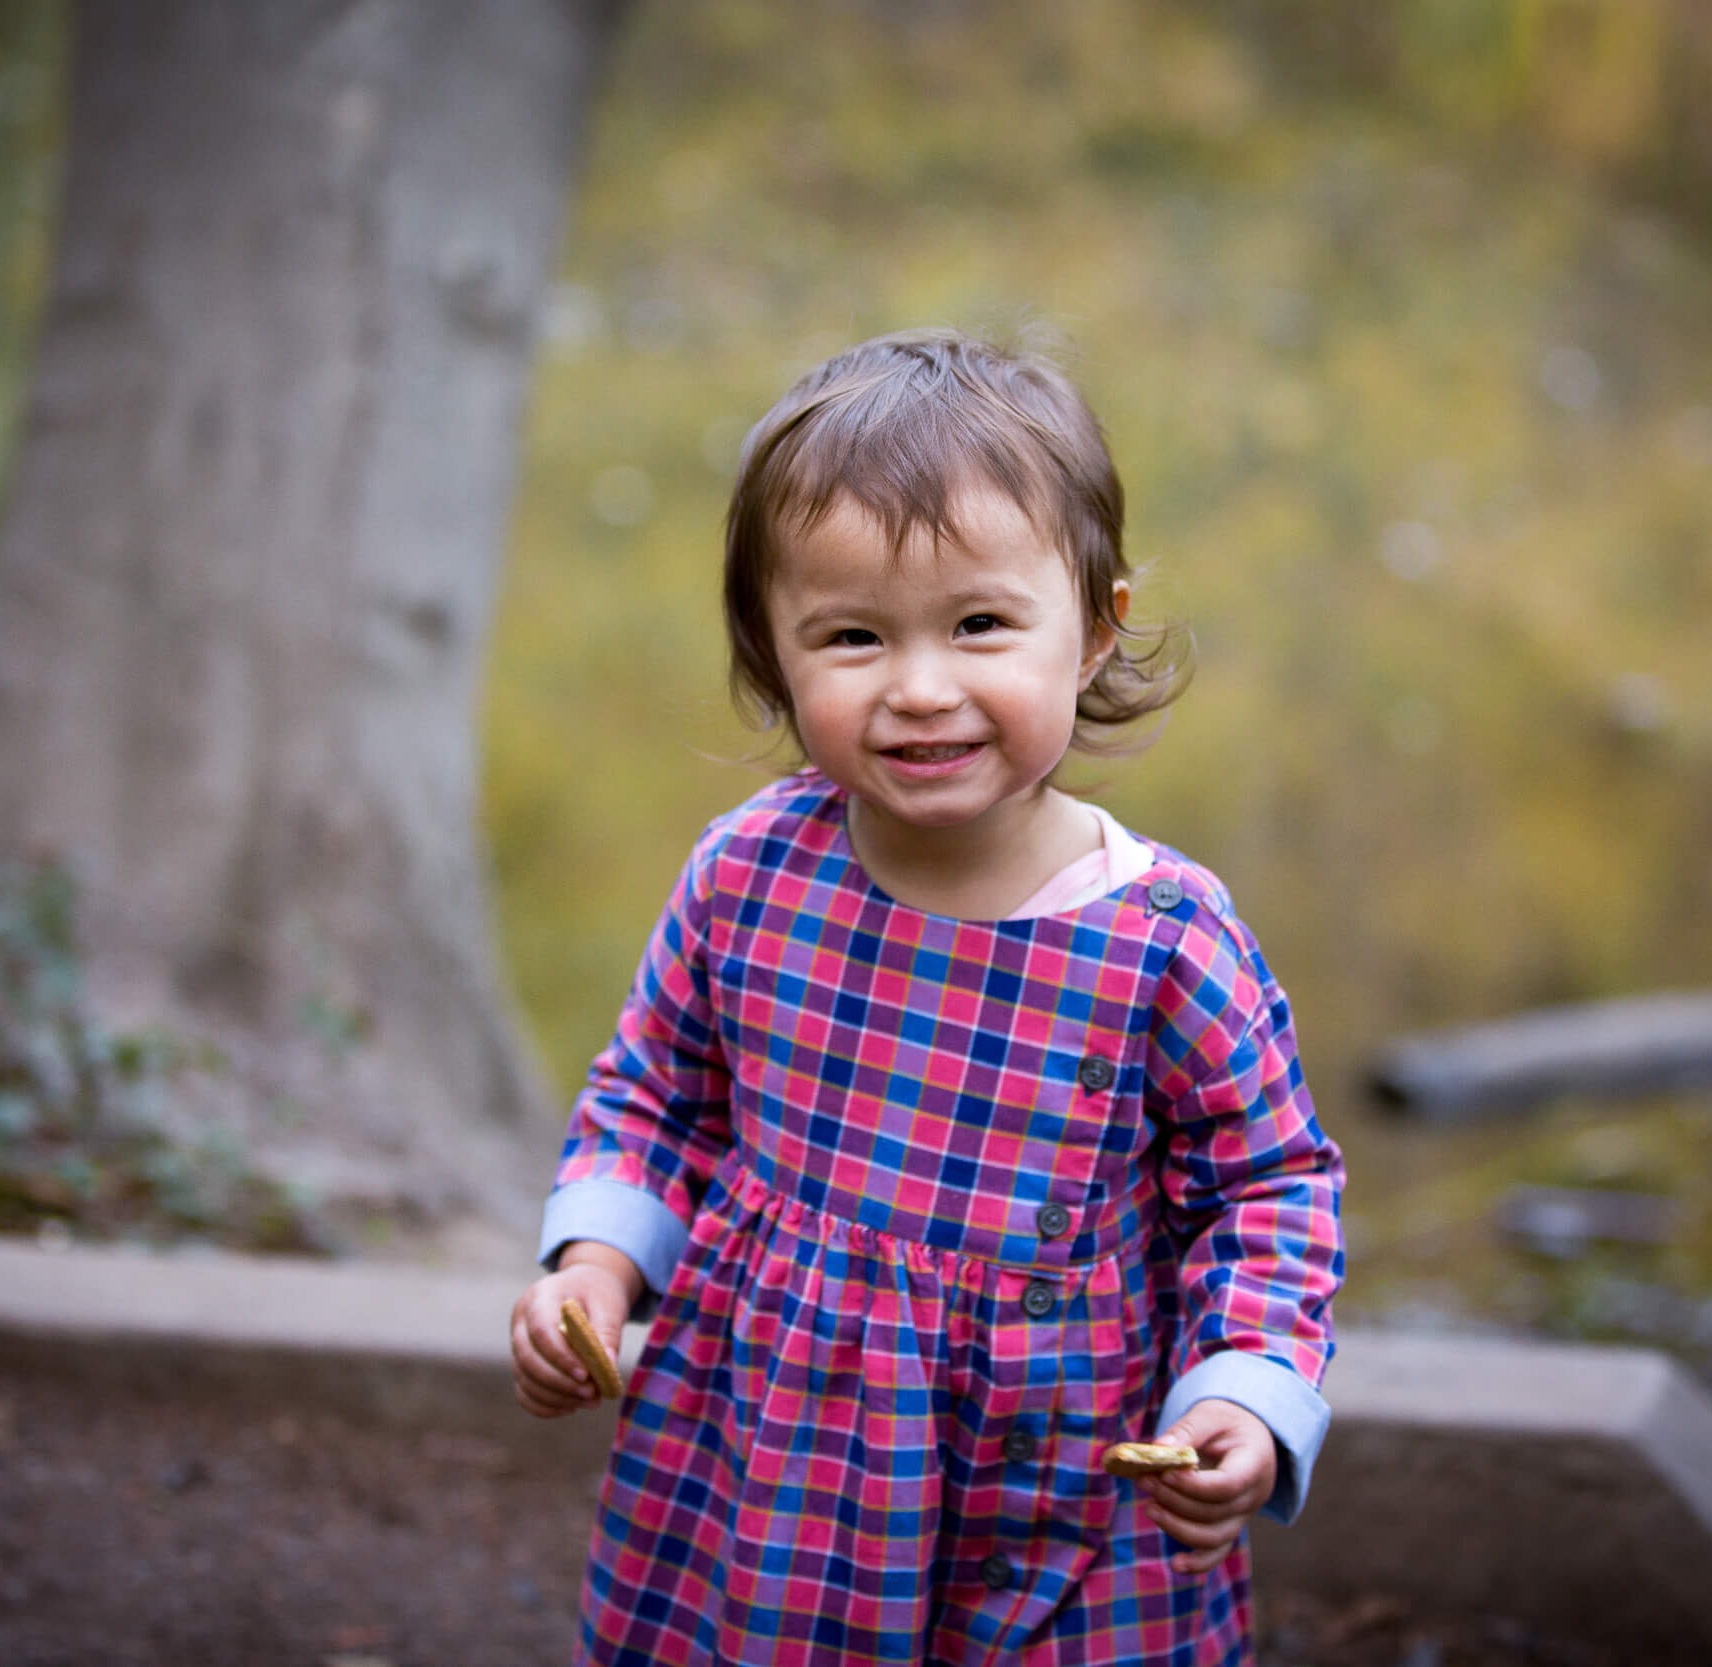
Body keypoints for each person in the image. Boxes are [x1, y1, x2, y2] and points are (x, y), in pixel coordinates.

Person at [509, 328, 1345, 1665]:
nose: (919, 688)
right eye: (851, 636)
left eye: (979, 624)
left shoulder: (1167, 940)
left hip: (1067, 1497)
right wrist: (595, 1264)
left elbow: (1267, 1190)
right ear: (775, 656)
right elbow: (658, 1094)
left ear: (1093, 628)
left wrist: (1241, 1391)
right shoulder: (748, 873)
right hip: (778, 1468)